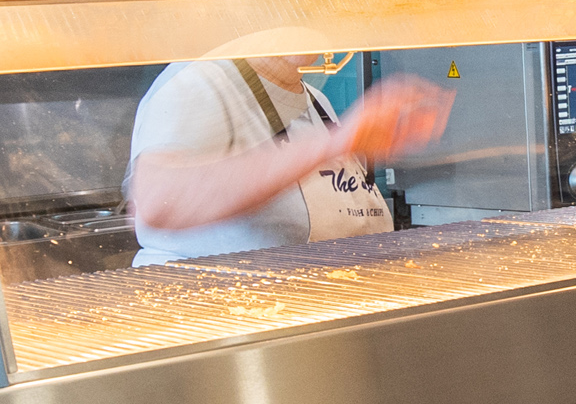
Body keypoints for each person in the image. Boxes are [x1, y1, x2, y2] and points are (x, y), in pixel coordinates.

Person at [126, 37, 451, 263]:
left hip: (311, 312)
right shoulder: (197, 83)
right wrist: (335, 143)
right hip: (215, 319)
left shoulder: (313, 99)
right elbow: (158, 202)